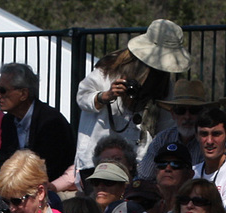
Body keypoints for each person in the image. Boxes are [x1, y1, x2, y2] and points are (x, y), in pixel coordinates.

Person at [75, 21, 186, 166]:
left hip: (137, 162)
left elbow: (165, 126)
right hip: (97, 158)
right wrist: (105, 96)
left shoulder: (164, 84)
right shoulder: (110, 69)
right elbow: (82, 97)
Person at [0, 63, 74, 185]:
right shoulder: (8, 121)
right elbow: (3, 161)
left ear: (23, 94)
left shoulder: (51, 122)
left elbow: (49, 168)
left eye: (3, 90)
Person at [193, 106, 226, 207]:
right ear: (196, 136)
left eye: (216, 134)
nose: (209, 141)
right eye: (204, 134)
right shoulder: (193, 172)